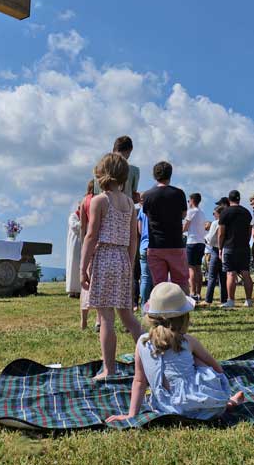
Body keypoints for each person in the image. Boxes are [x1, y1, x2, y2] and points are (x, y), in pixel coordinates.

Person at [105, 282, 244, 423]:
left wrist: (131, 414)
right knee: (198, 360)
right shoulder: (187, 341)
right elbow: (216, 368)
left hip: (166, 407)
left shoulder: (142, 342)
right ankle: (227, 402)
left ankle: (223, 402)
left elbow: (140, 381)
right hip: (201, 407)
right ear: (184, 317)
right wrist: (222, 387)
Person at [80, 153, 143, 379]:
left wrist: (83, 267)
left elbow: (90, 236)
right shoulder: (129, 203)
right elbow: (133, 238)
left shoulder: (99, 201)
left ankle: (109, 369)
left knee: (106, 317)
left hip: (105, 256)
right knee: (128, 317)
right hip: (123, 258)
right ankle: (153, 358)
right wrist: (128, 260)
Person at [141, 161, 188, 290]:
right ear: (170, 175)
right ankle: (183, 309)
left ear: (154, 175)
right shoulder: (179, 193)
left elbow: (146, 214)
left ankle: (160, 309)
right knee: (181, 282)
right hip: (175, 244)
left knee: (159, 285)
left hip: (155, 245)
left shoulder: (147, 195)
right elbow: (183, 215)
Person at [218, 190, 254, 309]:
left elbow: (221, 233)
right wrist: (246, 241)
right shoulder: (246, 212)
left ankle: (231, 300)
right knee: (246, 273)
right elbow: (250, 231)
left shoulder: (225, 212)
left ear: (229, 200)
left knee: (230, 274)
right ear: (239, 199)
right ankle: (248, 300)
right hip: (244, 247)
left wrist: (220, 248)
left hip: (229, 246)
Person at [93, 136, 141, 203]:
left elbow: (96, 193)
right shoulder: (134, 170)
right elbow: (133, 194)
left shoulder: (99, 168)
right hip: (126, 208)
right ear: (130, 150)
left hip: (102, 206)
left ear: (114, 149)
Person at [182, 193, 208, 302]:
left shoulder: (191, 212)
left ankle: (192, 293)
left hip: (192, 241)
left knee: (191, 268)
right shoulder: (202, 213)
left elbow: (185, 227)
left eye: (189, 201)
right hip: (201, 242)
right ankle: (198, 293)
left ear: (192, 200)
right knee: (198, 268)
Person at [78, 180, 96, 329]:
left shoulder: (85, 201)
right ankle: (98, 320)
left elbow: (83, 225)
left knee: (86, 282)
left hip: (88, 242)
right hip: (101, 243)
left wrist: (83, 242)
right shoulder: (102, 199)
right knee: (99, 282)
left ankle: (83, 320)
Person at [201, 205, 228, 306]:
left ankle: (208, 299)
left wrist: (207, 241)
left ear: (218, 214)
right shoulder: (227, 223)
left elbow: (211, 238)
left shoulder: (216, 223)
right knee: (223, 277)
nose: (213, 215)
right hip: (225, 249)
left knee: (212, 276)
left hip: (216, 250)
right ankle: (224, 299)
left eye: (214, 213)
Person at [137, 206, 154, 309]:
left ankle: (144, 307)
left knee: (145, 278)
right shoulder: (157, 207)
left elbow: (140, 230)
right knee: (156, 278)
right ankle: (155, 305)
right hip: (156, 246)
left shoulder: (142, 210)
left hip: (143, 245)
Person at [65, 201, 83, 298]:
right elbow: (74, 226)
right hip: (74, 244)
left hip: (82, 243)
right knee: (73, 265)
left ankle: (80, 289)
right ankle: (72, 290)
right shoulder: (73, 216)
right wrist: (84, 222)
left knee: (80, 267)